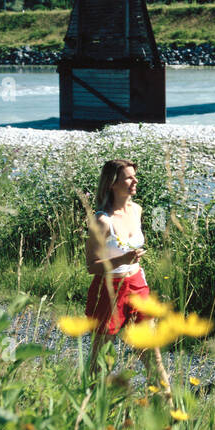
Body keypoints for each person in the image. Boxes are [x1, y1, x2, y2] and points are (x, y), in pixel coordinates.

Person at [83, 158, 171, 390]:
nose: (135, 181)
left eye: (134, 176)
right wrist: (120, 260)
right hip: (109, 289)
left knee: (151, 352)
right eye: (129, 177)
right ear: (113, 184)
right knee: (101, 356)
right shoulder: (102, 221)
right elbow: (91, 265)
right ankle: (90, 406)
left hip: (137, 285)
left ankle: (170, 406)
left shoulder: (137, 209)